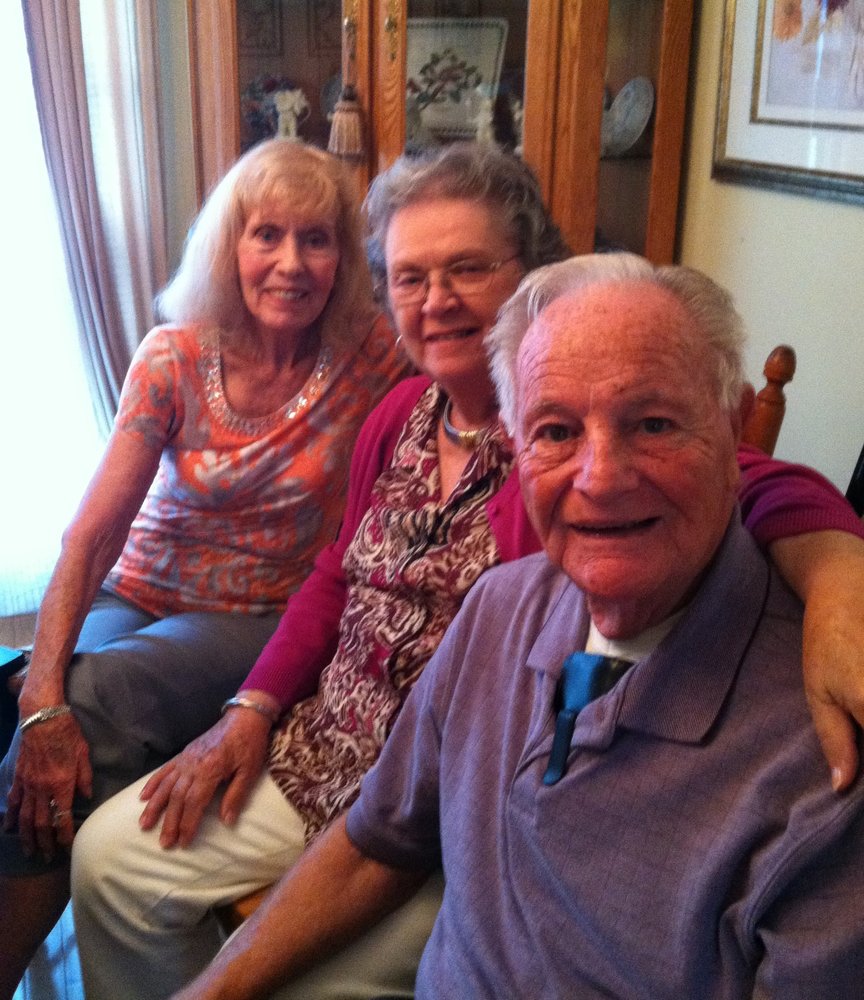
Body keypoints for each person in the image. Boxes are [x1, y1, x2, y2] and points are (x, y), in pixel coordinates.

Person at [72, 146, 864, 1000]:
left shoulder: (574, 455)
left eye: (468, 268)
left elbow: (744, 482)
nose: (436, 300)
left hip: (462, 797)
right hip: (342, 751)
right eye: (410, 278)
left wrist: (837, 565)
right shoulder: (402, 414)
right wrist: (251, 708)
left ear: (530, 273)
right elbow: (340, 572)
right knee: (111, 863)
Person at [0, 139, 407, 999]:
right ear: (231, 247)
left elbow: (477, 345)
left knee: (96, 698)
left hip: (259, 611)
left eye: (317, 240)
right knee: (29, 700)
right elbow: (93, 534)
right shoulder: (173, 355)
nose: (291, 264)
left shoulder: (374, 354)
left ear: (344, 258)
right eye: (267, 235)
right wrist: (38, 696)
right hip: (141, 584)